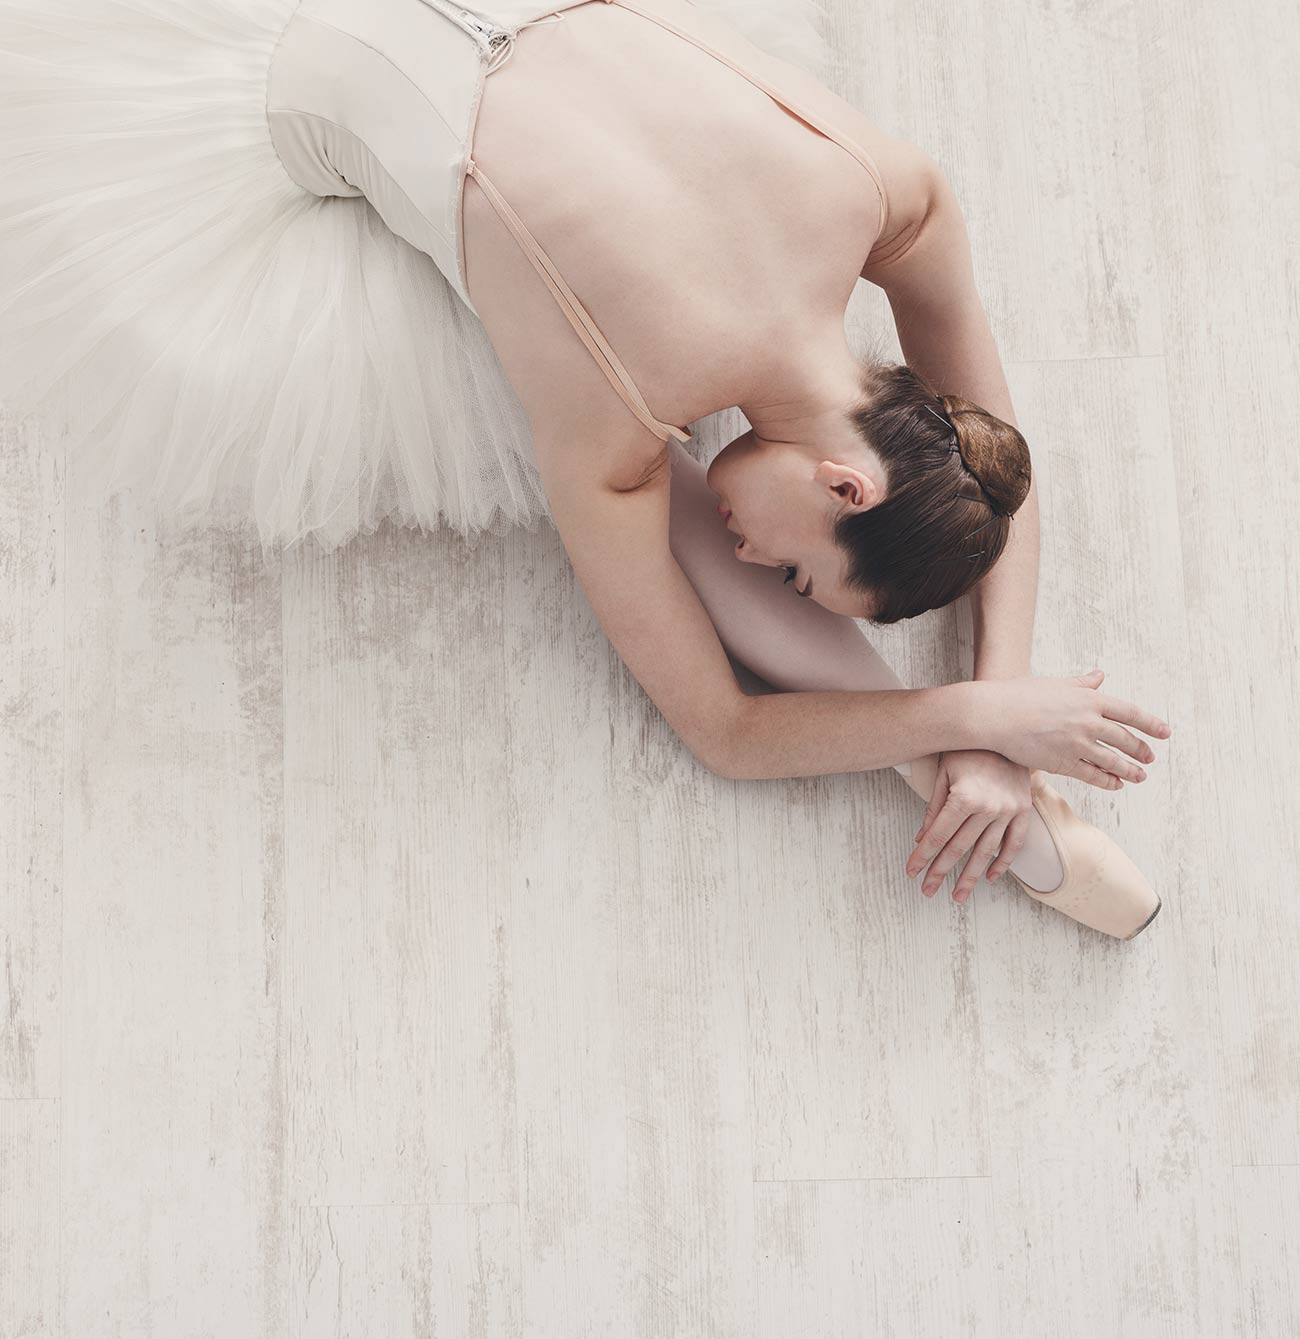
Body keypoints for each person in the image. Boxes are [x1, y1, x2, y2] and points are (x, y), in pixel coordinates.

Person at [0, 0, 1172, 937]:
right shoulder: (616, 408)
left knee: (662, 463)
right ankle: (989, 812)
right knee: (654, 480)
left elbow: (996, 452)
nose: (757, 559)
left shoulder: (888, 191)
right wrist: (969, 714)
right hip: (296, 56)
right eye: (797, 572)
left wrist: (1001, 717)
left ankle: (988, 801)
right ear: (844, 485)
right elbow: (725, 729)